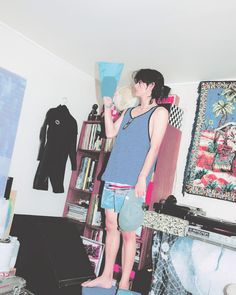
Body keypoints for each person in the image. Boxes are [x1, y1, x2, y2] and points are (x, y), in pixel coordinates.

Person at [82, 69, 170, 291]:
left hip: (132, 183)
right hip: (113, 176)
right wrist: (108, 107)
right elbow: (110, 133)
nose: (135, 85)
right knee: (110, 227)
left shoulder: (159, 112)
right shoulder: (130, 111)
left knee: (128, 233)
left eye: (139, 82)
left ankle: (123, 284)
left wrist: (142, 178)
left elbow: (155, 147)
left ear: (151, 86)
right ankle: (106, 276)